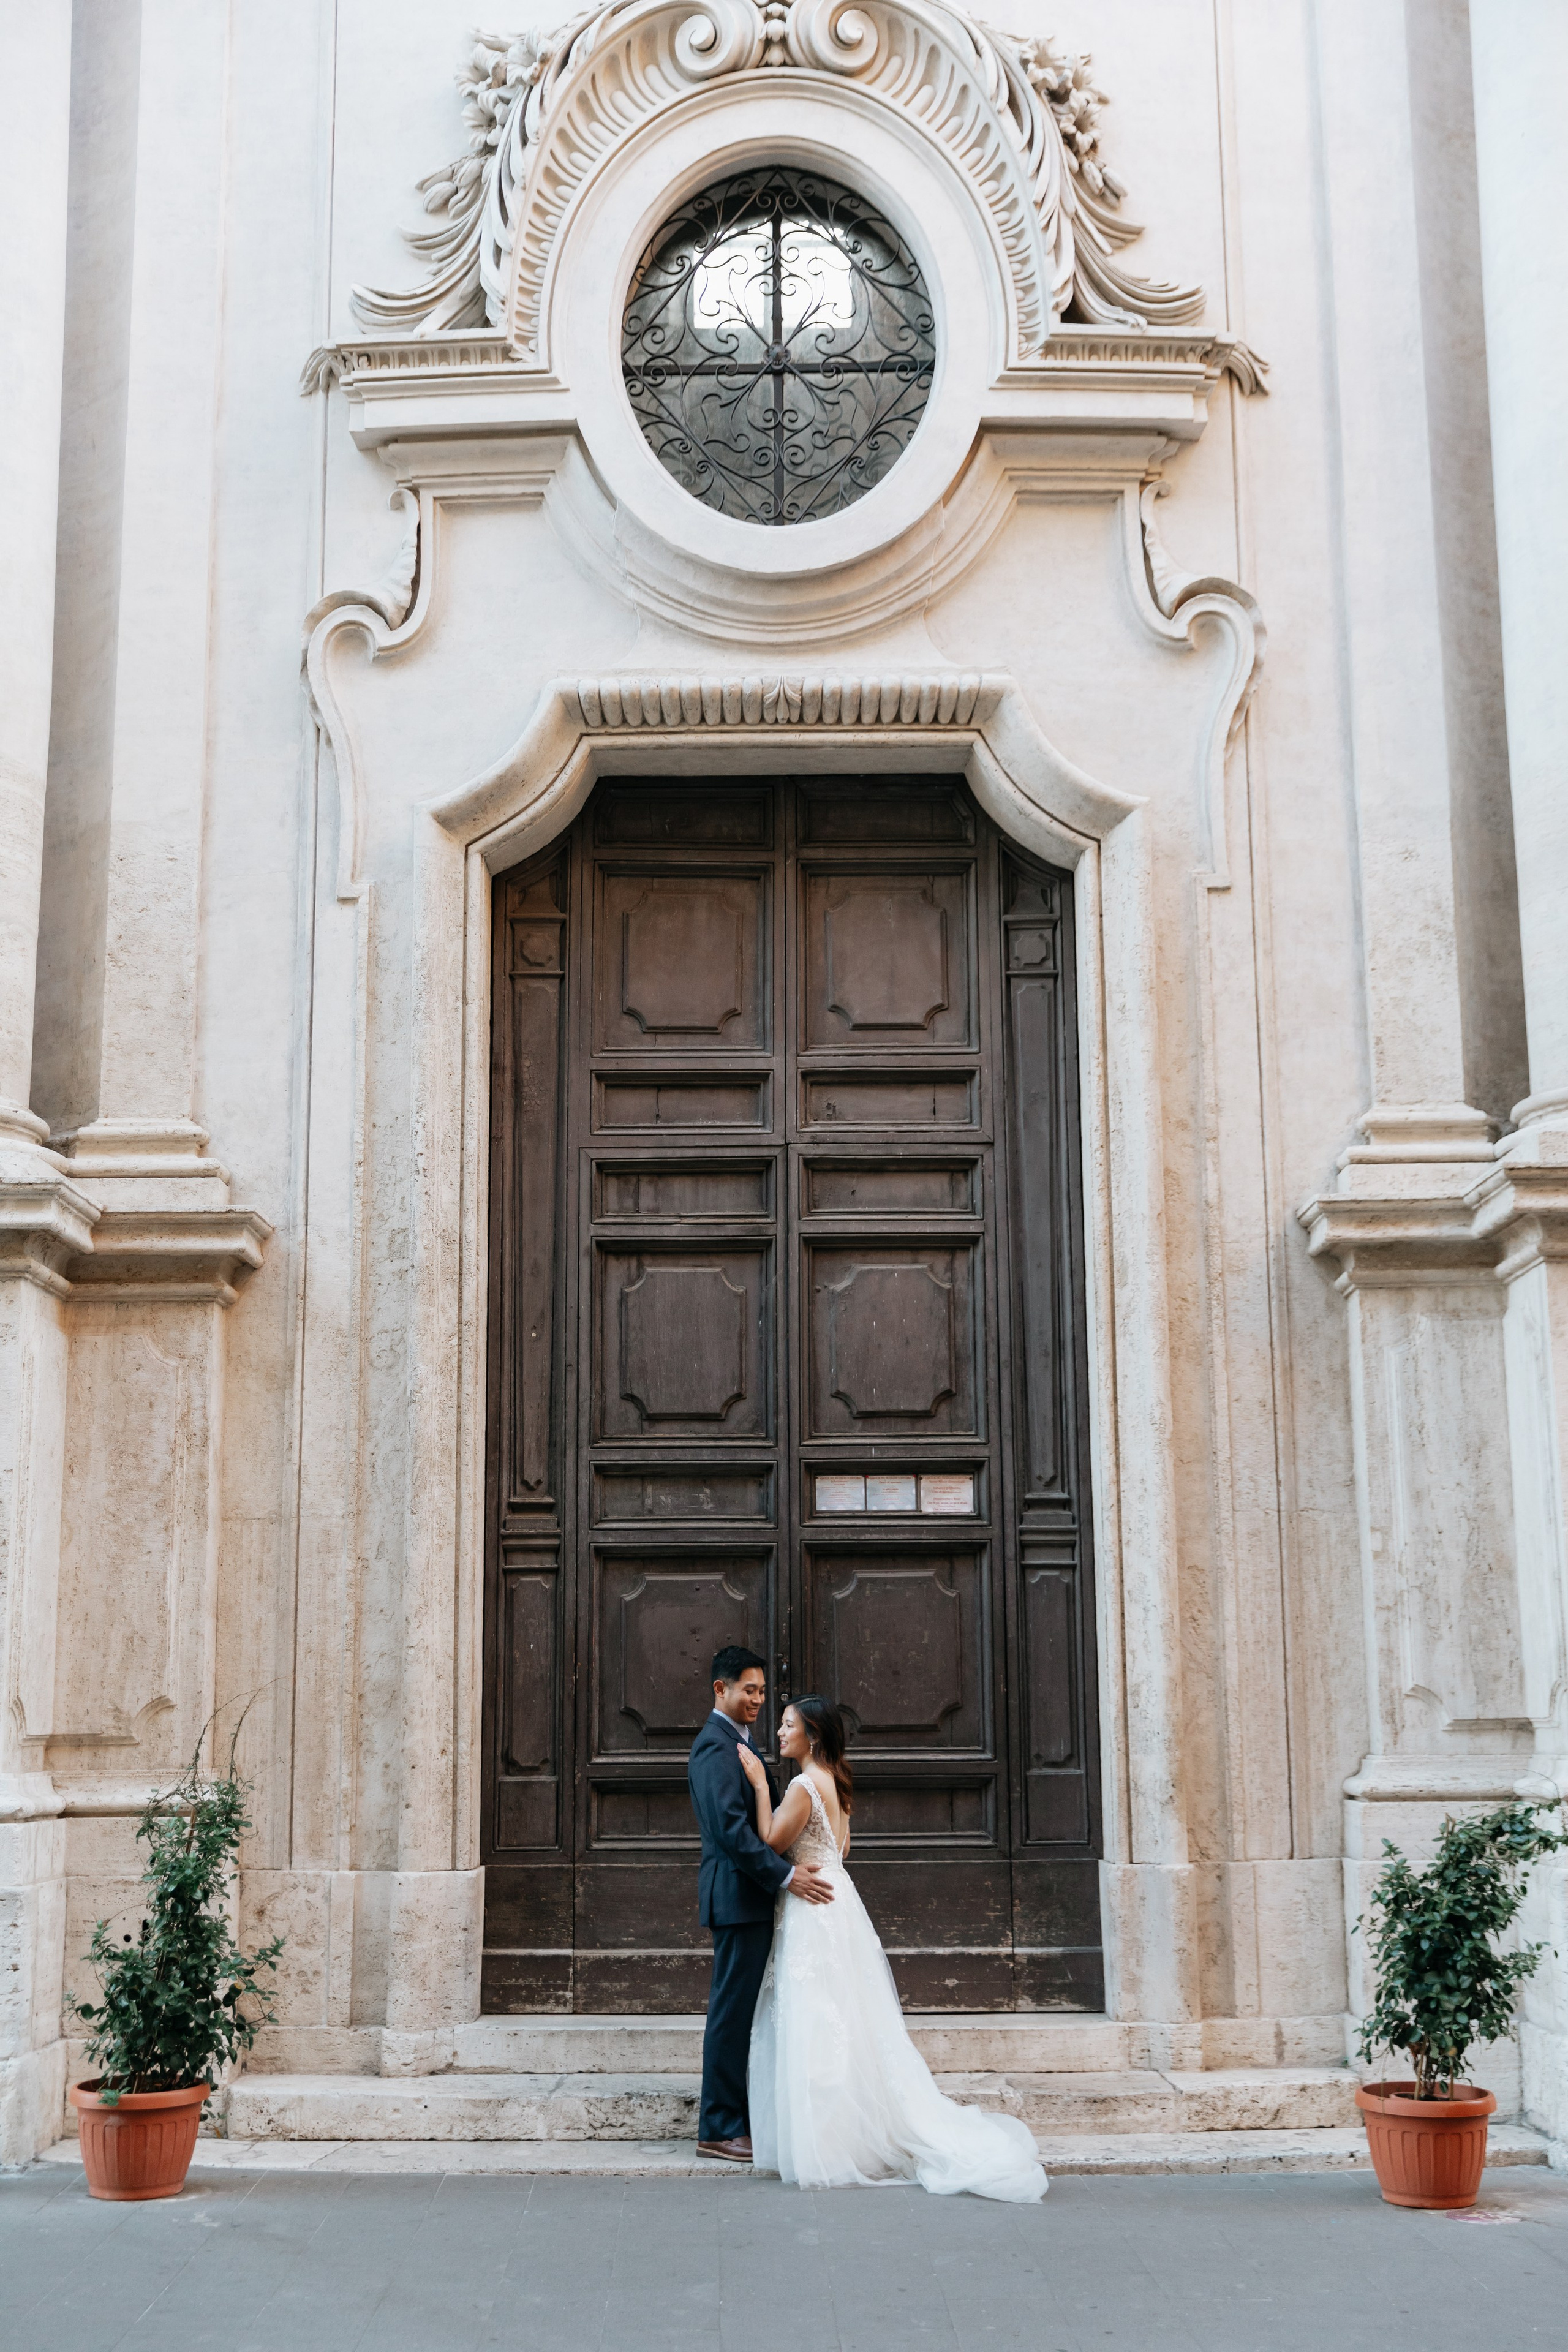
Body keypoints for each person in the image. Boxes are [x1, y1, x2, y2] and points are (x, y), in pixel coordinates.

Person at [740, 1694, 1047, 2201]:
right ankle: (844, 2133)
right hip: (839, 1900)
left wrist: (756, 1785)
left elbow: (770, 1840)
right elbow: (841, 1849)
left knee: (819, 2018)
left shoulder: (801, 1785)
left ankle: (829, 2141)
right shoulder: (836, 1782)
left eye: (787, 1725)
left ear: (811, 1735)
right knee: (847, 2019)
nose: (778, 1733)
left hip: (814, 1910)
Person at [686, 1646, 834, 2163]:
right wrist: (787, 1875)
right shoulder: (714, 1747)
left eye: (762, 1691)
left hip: (753, 1898)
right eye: (748, 1689)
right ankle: (718, 2127)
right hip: (737, 1899)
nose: (757, 1700)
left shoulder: (740, 1743)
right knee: (730, 2013)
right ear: (719, 1690)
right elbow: (730, 1832)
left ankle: (740, 2117)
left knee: (746, 2010)